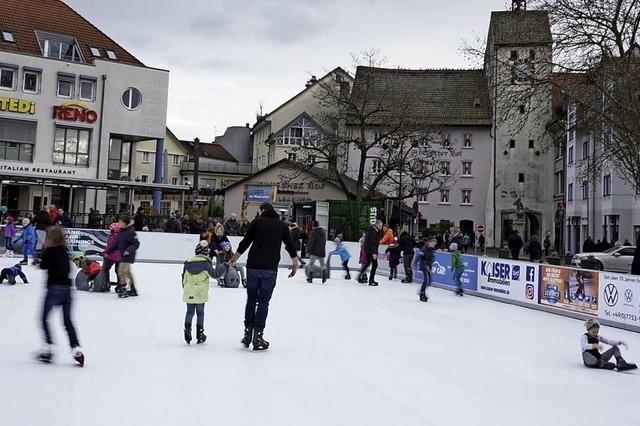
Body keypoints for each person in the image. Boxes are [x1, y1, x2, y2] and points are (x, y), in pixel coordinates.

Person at [229, 203, 299, 351]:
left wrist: (234, 259)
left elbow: (245, 242)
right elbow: (290, 245)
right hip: (270, 269)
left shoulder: (257, 222)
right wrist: (295, 263)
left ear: (262, 211)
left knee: (251, 300)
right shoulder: (282, 225)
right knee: (263, 303)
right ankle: (258, 336)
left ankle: (248, 334)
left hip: (253, 266)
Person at [36, 226, 84, 366]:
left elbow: (43, 266)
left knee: (44, 319)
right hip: (67, 290)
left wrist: (43, 253)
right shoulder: (64, 251)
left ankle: (49, 347)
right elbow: (68, 269)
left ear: (51, 238)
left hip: (54, 289)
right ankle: (76, 349)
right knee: (68, 322)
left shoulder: (49, 251)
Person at [182, 241, 228, 345]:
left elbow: (183, 278)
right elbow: (215, 274)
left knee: (189, 312)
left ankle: (187, 331)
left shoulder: (187, 263)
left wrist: (185, 287)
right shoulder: (206, 264)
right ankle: (200, 334)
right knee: (200, 313)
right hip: (200, 292)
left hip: (189, 291)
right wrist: (224, 265)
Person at [116, 215, 140, 298]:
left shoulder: (131, 232)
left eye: (120, 222)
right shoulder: (120, 232)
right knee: (127, 272)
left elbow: (136, 244)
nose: (118, 223)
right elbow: (118, 243)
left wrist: (128, 250)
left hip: (128, 255)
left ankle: (123, 289)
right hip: (122, 254)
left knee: (121, 271)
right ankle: (133, 289)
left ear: (125, 223)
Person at [358, 220, 383, 286]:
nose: (381, 227)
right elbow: (372, 243)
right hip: (371, 251)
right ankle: (371, 280)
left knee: (367, 263)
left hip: (368, 250)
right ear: (377, 225)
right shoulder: (373, 232)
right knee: (375, 264)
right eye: (380, 225)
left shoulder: (372, 231)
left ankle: (360, 275)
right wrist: (374, 253)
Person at [413, 237, 436, 302]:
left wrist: (430, 263)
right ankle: (422, 292)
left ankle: (422, 291)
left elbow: (432, 258)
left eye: (434, 243)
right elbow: (418, 256)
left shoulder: (432, 249)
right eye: (432, 243)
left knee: (430, 280)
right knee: (426, 279)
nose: (433, 244)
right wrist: (415, 263)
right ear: (429, 242)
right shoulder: (424, 249)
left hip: (429, 266)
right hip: (424, 266)